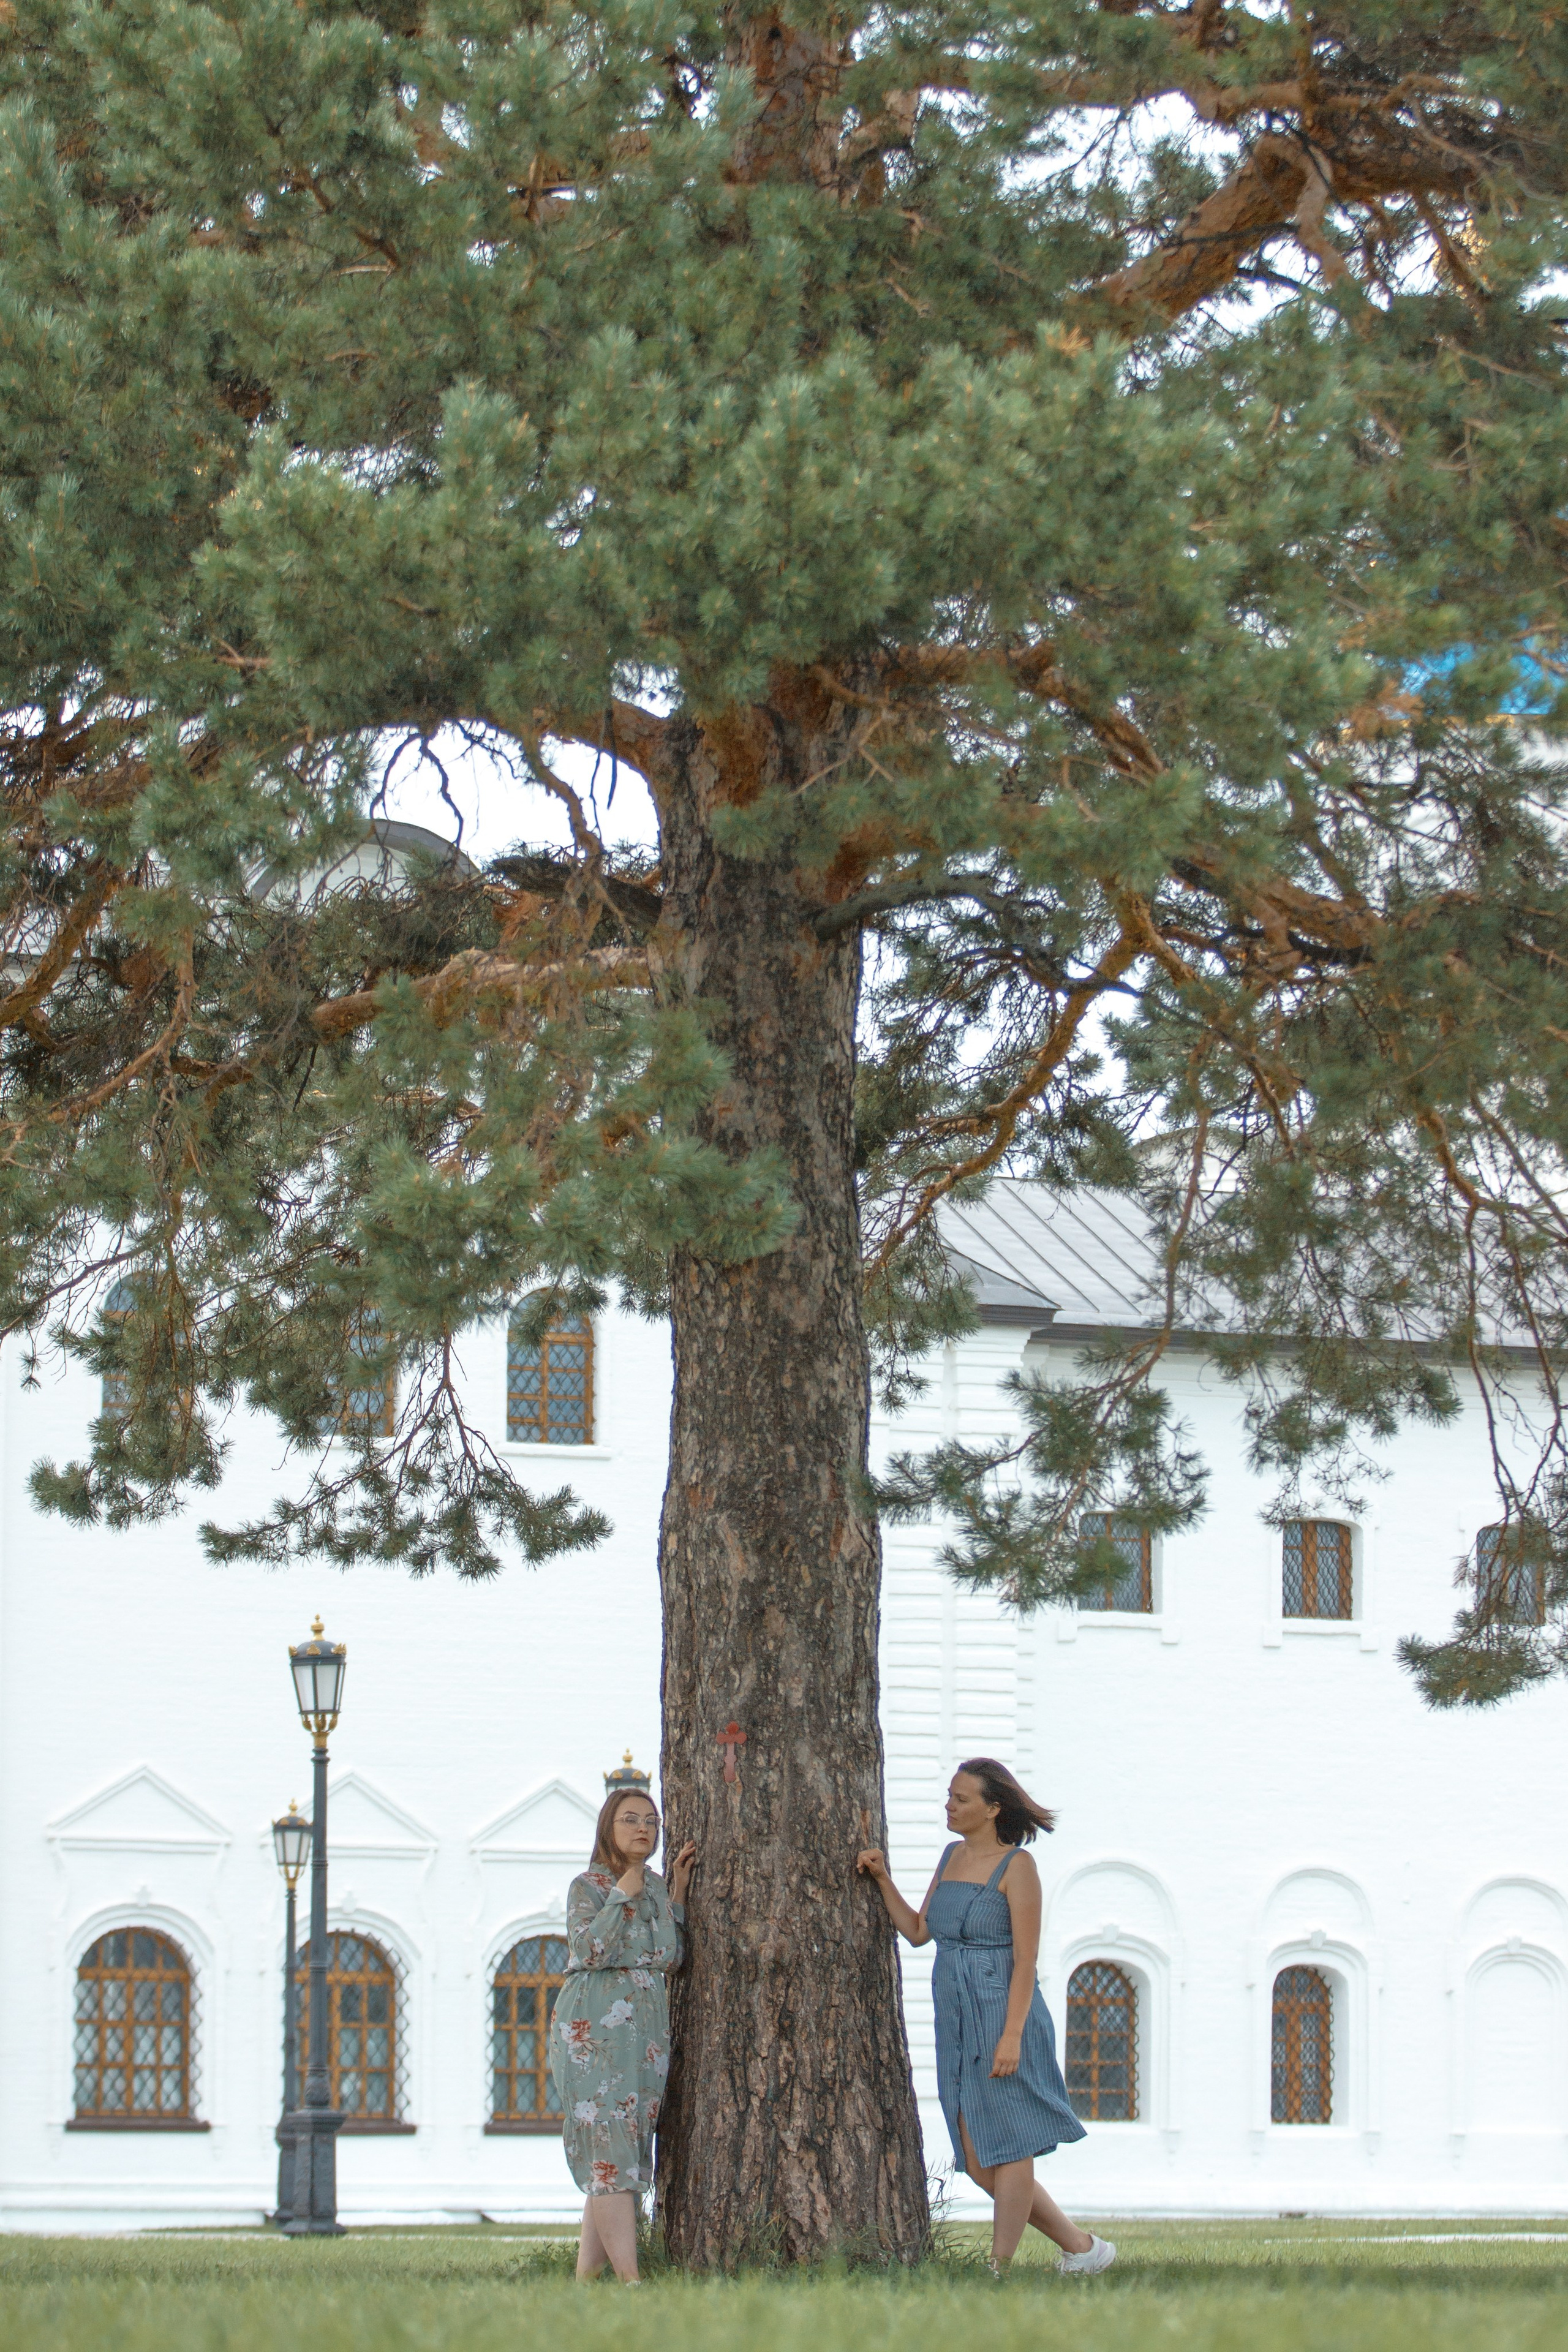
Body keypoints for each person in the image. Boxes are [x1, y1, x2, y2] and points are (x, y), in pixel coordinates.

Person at [858, 1757, 1115, 2278]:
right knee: (976, 2157)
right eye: (950, 1797)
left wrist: (1012, 2036)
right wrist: (883, 1879)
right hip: (953, 2007)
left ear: (993, 1808)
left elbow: (1026, 1960)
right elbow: (917, 1931)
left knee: (1012, 2138)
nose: (949, 1806)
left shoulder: (1018, 1867)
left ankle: (998, 2267)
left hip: (1002, 2007)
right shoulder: (951, 1856)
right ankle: (1083, 2248)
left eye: (961, 1799)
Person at [549, 1782, 696, 2282]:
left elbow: (671, 1958)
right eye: (631, 1819)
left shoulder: (655, 1886)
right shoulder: (587, 1886)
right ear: (609, 1827)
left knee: (622, 2155)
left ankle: (584, 2284)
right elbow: (589, 1951)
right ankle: (633, 2284)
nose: (644, 1829)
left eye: (651, 1821)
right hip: (593, 2032)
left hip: (645, 2035)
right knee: (608, 2149)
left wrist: (674, 1892)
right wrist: (618, 1898)